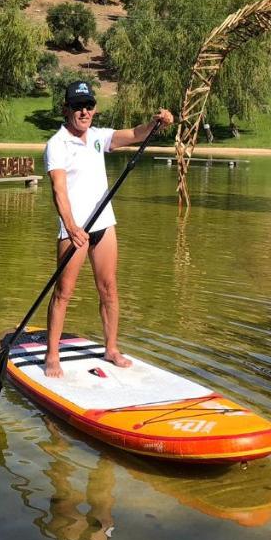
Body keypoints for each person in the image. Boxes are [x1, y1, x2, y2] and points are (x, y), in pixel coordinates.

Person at [42, 80, 173, 378]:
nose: (84, 111)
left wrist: (156, 122)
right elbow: (58, 191)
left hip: (103, 225)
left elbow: (136, 135)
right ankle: (52, 355)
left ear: (94, 109)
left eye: (88, 106)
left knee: (109, 289)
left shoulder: (100, 137)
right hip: (74, 230)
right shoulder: (57, 145)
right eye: (77, 107)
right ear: (66, 109)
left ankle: (111, 348)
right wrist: (72, 226)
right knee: (63, 293)